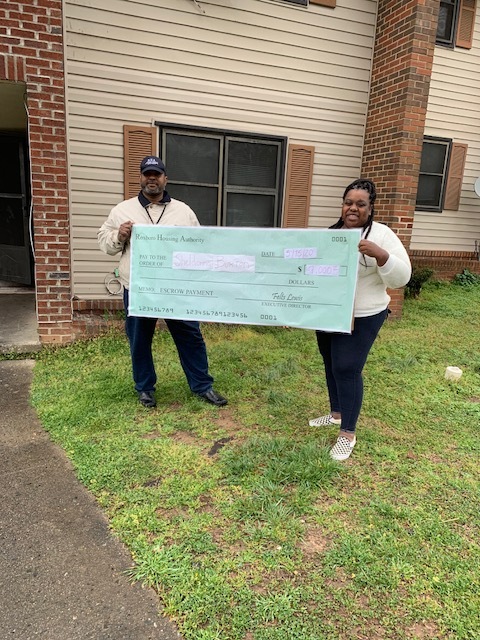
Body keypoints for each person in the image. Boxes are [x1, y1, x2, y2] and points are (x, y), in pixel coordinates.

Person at [98, 156, 227, 409]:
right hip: (138, 289)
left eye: (157, 174)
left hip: (176, 289)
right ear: (141, 178)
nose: (152, 178)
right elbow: (104, 243)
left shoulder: (183, 210)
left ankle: (203, 386)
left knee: (191, 336)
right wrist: (118, 235)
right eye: (147, 174)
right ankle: (145, 388)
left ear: (165, 178)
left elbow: (199, 245)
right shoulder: (122, 210)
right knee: (139, 340)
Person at [309, 179, 411, 461]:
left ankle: (347, 433)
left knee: (347, 367)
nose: (353, 208)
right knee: (330, 361)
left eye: (360, 204)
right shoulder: (333, 233)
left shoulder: (382, 234)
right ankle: (336, 413)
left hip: (365, 314)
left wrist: (380, 255)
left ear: (370, 207)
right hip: (330, 311)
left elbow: (402, 276)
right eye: (348, 202)